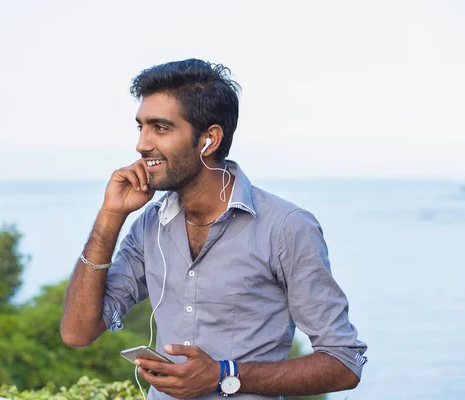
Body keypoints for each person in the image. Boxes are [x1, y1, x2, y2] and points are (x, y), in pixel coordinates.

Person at [60, 59, 367, 400]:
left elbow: (343, 363)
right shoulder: (150, 225)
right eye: (141, 127)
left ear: (209, 139)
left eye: (160, 128)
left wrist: (225, 374)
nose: (142, 144)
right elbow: (77, 332)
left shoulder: (285, 227)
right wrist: (110, 215)